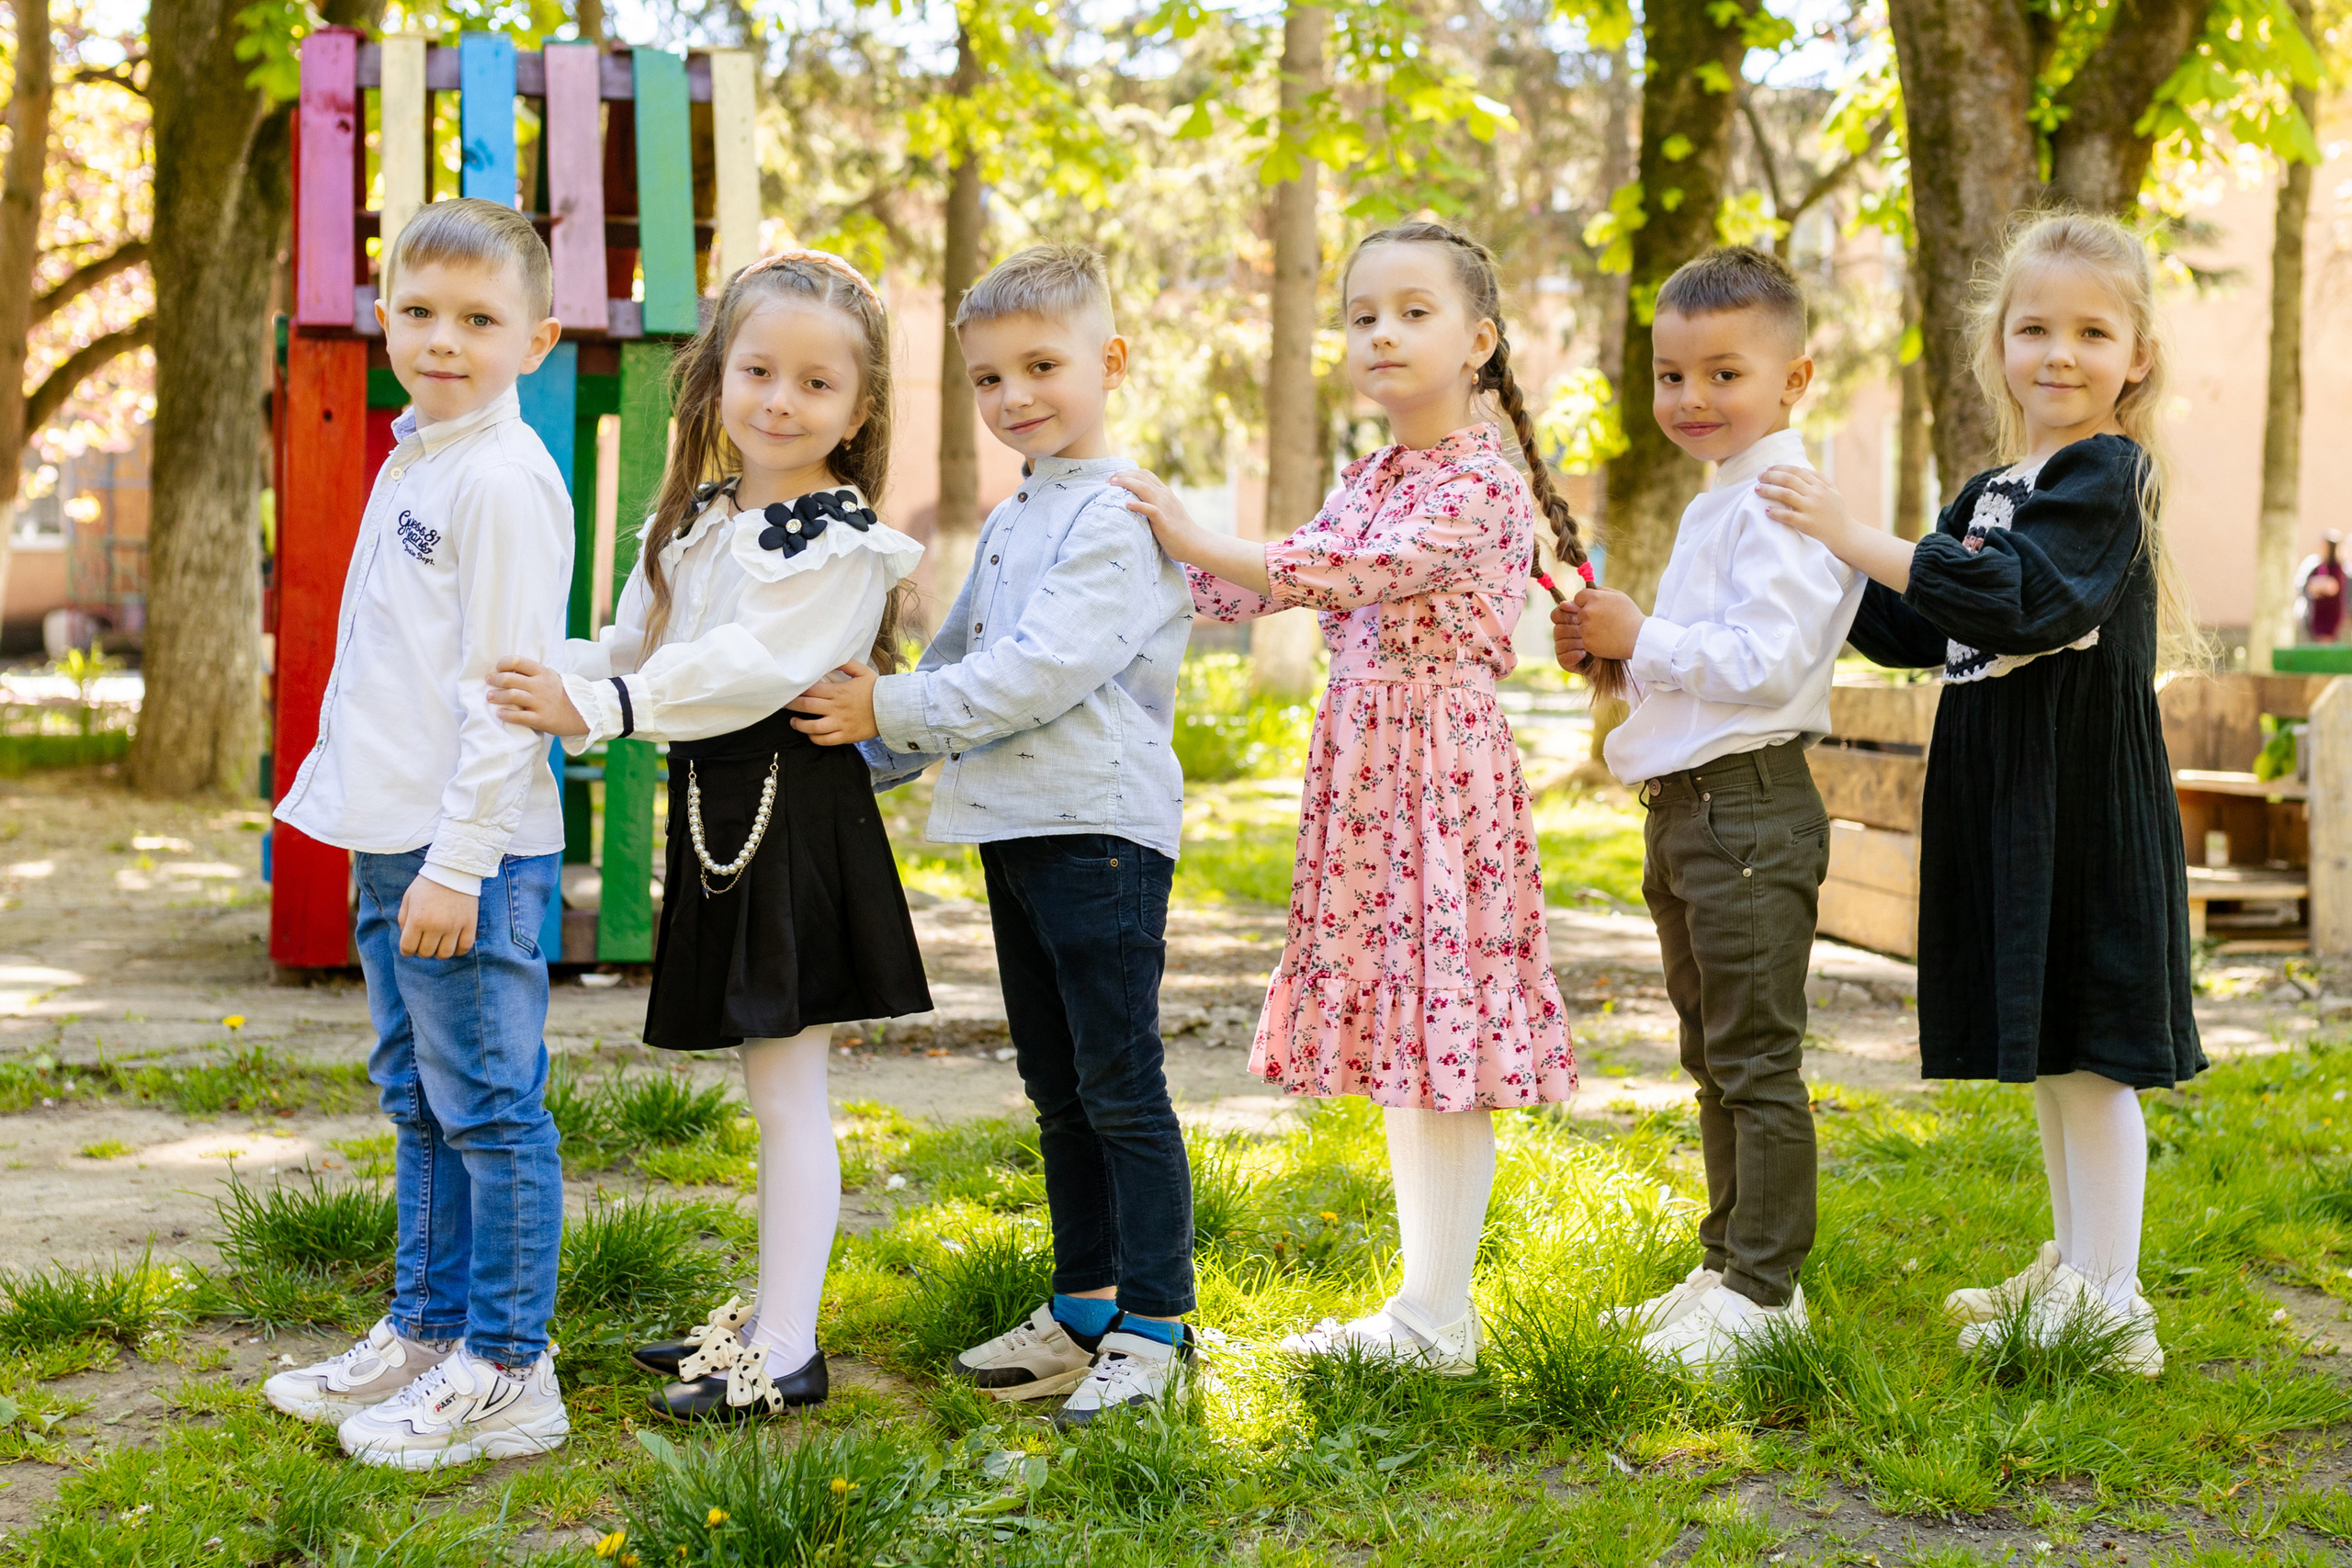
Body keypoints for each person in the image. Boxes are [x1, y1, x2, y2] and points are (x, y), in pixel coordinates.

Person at [1119, 221, 1578, 1376]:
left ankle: (1439, 1317)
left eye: (1413, 312)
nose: (1381, 332)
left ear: (1477, 339)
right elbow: (1261, 581)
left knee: (1445, 1032)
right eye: (1361, 313)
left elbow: (1340, 574)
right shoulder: (1376, 472)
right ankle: (1427, 1311)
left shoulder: (1478, 482)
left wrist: (1191, 529)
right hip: (1371, 773)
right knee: (1406, 1041)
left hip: (1436, 772)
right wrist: (1130, 563)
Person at [485, 251, 933, 1420]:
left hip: (790, 816)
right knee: (765, 1081)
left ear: (861, 406)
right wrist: (559, 669)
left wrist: (607, 708)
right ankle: (770, 1315)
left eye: (816, 384)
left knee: (788, 1088)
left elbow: (744, 671)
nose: (781, 401)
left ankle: (787, 1348)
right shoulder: (701, 514)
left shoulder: (838, 542)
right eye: (759, 370)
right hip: (720, 810)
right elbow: (641, 643)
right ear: (720, 375)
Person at [1754, 212, 2202, 1374]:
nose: (2060, 353)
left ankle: (2113, 1303)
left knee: (2093, 1050)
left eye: (2092, 332)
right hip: (2007, 796)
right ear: (1997, 346)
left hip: (2081, 795)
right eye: (2034, 328)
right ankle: (2073, 1259)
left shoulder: (2108, 474)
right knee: (2053, 1044)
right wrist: (1820, 554)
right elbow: (1917, 622)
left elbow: (2019, 603)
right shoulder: (1992, 483)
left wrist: (1859, 531)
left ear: (2136, 357)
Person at [790, 243, 1199, 1426]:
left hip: (1102, 835)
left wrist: (891, 707)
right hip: (1018, 832)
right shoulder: (1022, 509)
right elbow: (958, 661)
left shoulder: (1118, 515)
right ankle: (1085, 1306)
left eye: (1042, 366)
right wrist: (856, 757)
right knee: (1057, 1085)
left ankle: (1159, 1327)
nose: (1016, 396)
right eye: (987, 379)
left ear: (1107, 362)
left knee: (1120, 1085)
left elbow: (1040, 673)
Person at [264, 198, 576, 1465]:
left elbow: (507, 693)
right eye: (422, 312)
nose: (445, 339)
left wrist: (458, 861)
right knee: (421, 1097)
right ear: (386, 314)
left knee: (491, 1107)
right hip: (398, 835)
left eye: (480, 319)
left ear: (537, 340)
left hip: (472, 854)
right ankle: (428, 1328)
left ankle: (509, 1365)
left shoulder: (502, 479)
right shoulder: (422, 452)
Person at [1553, 245, 1863, 1373]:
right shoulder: (1718, 498)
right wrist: (1615, 665)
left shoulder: (1781, 497)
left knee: (1753, 1059)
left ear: (1794, 381)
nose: (1691, 399)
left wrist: (1650, 638)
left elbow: (1769, 662)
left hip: (1747, 809)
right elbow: (1697, 668)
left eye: (1723, 374)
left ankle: (1767, 1298)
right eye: (1671, 376)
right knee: (1711, 1052)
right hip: (1690, 811)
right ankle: (1726, 1264)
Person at [2294, 532, 2344, 644]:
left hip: (2330, 614)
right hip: (2317, 613)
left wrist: (2318, 585)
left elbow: (2332, 586)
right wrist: (2319, 585)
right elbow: (2309, 587)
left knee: (2325, 646)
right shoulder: (2318, 565)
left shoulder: (2335, 566)